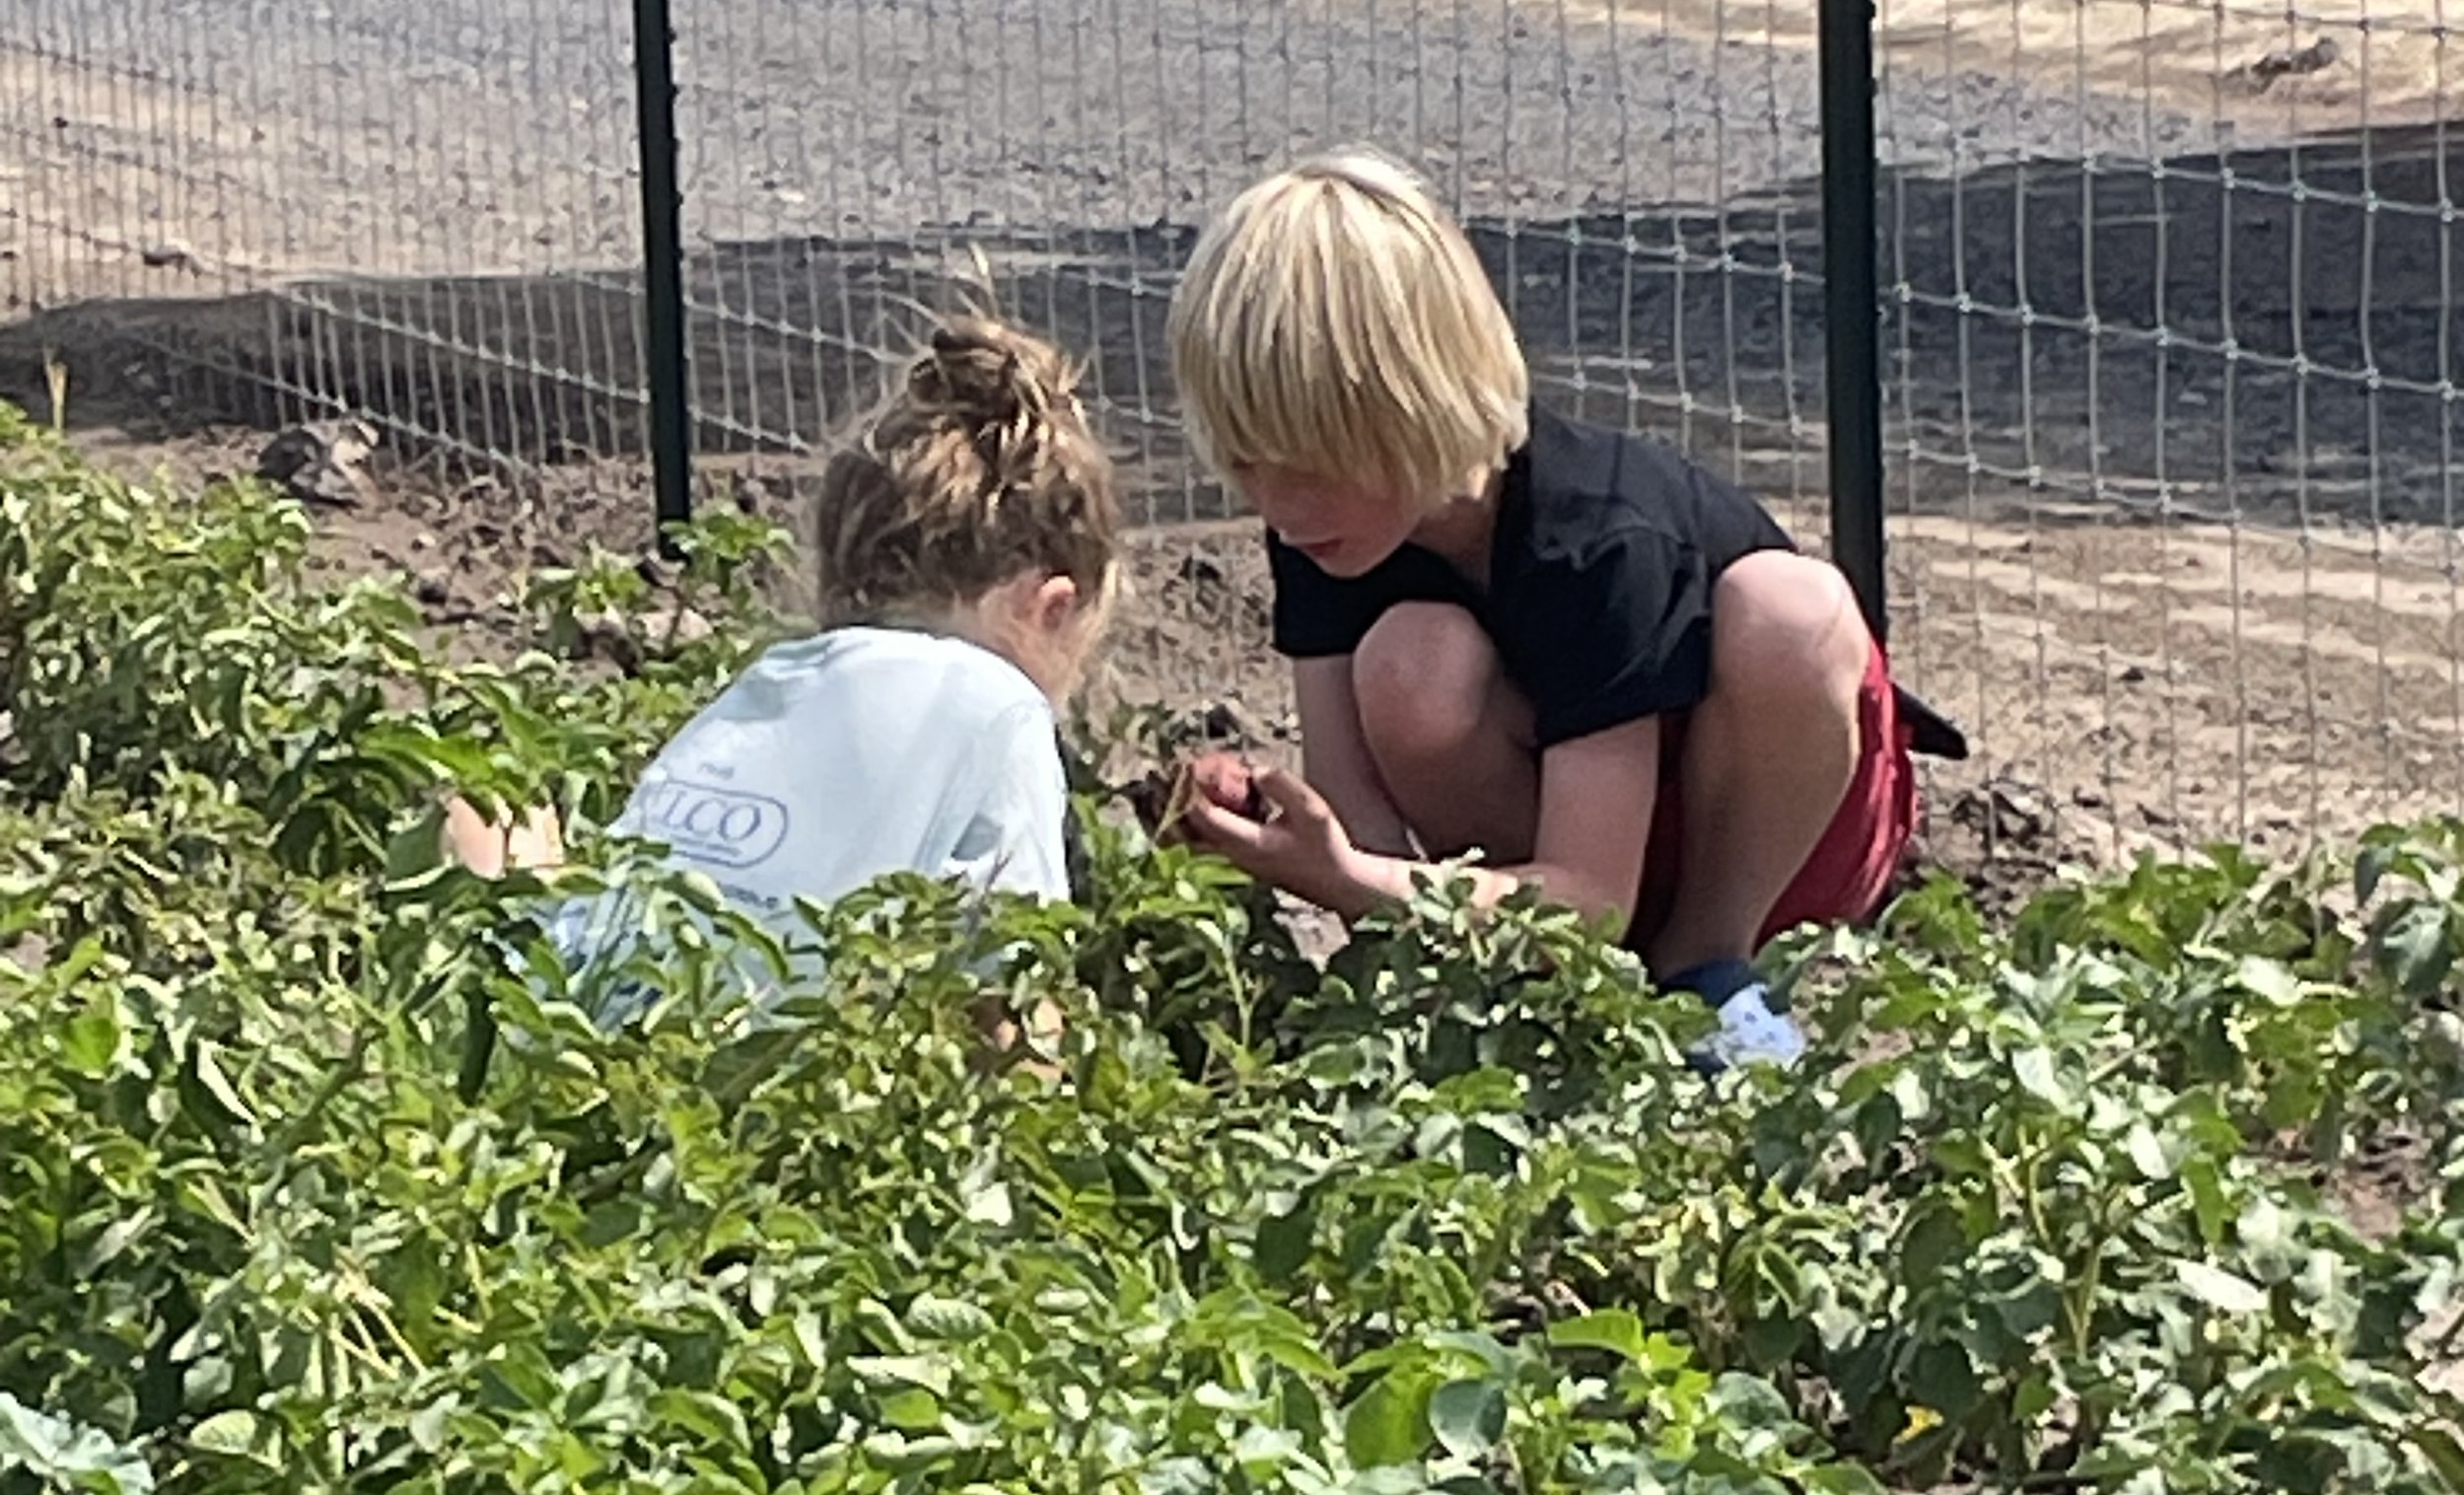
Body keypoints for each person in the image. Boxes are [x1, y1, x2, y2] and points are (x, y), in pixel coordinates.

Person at [1162, 149, 1960, 1068]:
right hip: (1577, 856)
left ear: (1414, 404)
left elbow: (1588, 896)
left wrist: (1354, 878)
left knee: (1794, 607)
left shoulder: (1599, 541)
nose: (1278, 505)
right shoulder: (1326, 532)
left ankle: (1708, 968)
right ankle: (1551, 979)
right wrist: (1311, 852)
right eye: (1246, 461)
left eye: (1307, 464)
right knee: (1411, 660)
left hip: (1772, 835)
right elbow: (1354, 817)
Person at [445, 319, 1120, 994]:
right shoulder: (999, 709)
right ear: (1051, 608)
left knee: (498, 813)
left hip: (572, 1032)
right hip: (743, 1079)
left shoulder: (769, 682)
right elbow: (1015, 1020)